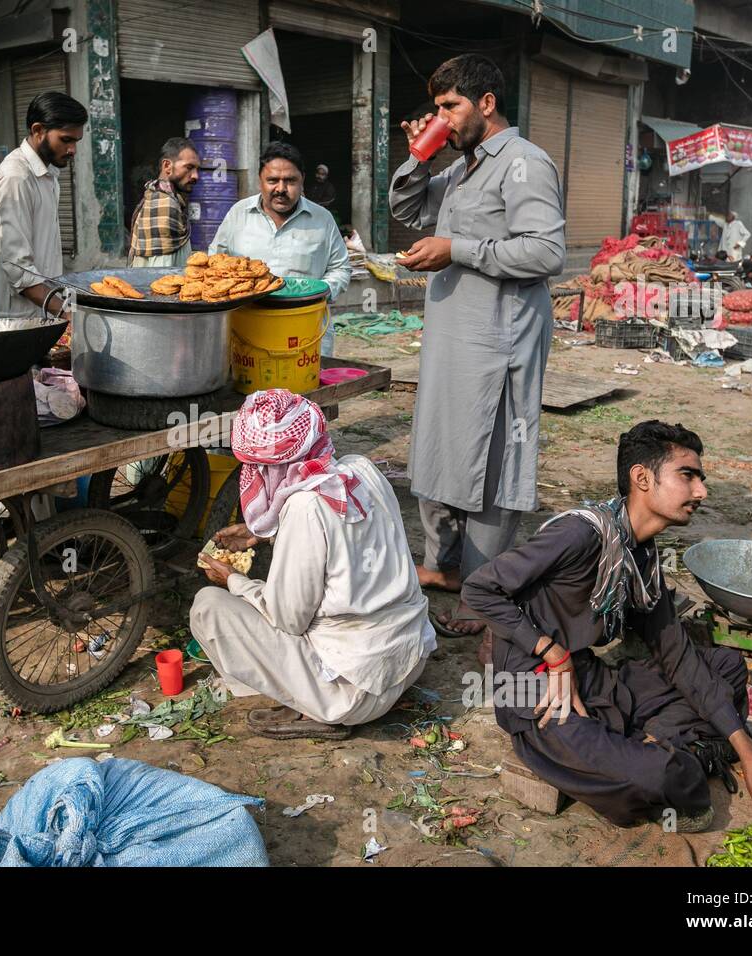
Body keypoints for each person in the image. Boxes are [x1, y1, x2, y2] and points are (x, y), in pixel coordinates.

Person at [462, 421, 752, 831]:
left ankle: (662, 743)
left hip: (589, 680)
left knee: (727, 668)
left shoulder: (641, 559)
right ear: (642, 478)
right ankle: (680, 753)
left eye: (700, 479)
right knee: (659, 778)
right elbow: (479, 589)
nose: (701, 491)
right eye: (688, 475)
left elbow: (677, 656)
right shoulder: (580, 535)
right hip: (537, 694)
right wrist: (551, 652)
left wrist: (747, 750)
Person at [388, 54, 565, 649]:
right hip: (452, 333)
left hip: (499, 335)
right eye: (435, 107)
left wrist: (458, 249)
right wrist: (420, 157)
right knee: (441, 444)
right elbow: (408, 211)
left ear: (486, 102)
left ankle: (484, 591)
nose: (438, 116)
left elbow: (545, 253)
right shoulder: (464, 168)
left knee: (492, 460)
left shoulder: (523, 164)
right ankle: (443, 562)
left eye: (448, 107)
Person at [190, 389, 435, 740]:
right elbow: (342, 534)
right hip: (408, 661)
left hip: (354, 693)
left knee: (208, 606)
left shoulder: (305, 509)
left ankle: (314, 707)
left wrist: (233, 580)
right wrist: (267, 534)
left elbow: (289, 619)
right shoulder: (360, 469)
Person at [209, 142, 351, 356]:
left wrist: (320, 292)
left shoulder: (322, 219)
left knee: (304, 388)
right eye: (272, 180)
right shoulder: (239, 214)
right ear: (260, 181)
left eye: (290, 181)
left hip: (306, 332)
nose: (281, 189)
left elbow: (341, 268)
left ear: (302, 179)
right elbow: (215, 261)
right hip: (247, 333)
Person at [0, 91, 87, 328]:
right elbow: (18, 269)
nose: (73, 150)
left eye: (76, 142)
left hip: (42, 316)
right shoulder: (16, 177)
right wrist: (70, 314)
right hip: (16, 323)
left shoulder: (47, 175)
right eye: (66, 140)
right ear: (38, 130)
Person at [128, 137, 200, 267]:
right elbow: (161, 276)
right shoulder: (164, 204)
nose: (195, 176)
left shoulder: (162, 197)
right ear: (167, 166)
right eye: (189, 167)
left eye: (196, 169)